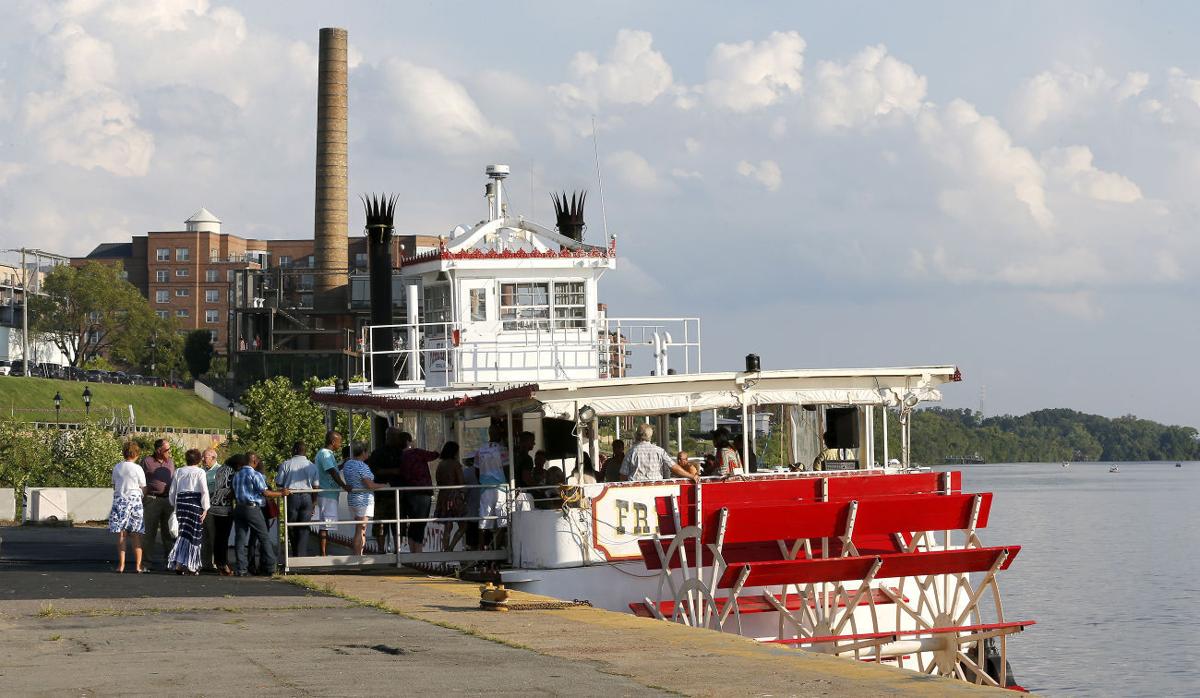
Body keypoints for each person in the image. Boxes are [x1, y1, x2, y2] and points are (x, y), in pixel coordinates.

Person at [232, 452, 289, 576]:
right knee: (264, 537)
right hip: (252, 508)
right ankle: (271, 567)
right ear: (254, 461)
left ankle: (241, 568)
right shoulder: (255, 474)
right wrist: (281, 493)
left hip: (239, 507)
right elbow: (265, 493)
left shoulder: (237, 475)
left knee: (240, 539)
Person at [167, 449, 210, 575]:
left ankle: (179, 565)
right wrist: (205, 508)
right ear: (199, 459)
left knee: (182, 533)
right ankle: (192, 565)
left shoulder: (179, 471)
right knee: (194, 534)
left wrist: (174, 505)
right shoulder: (200, 472)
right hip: (194, 504)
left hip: (181, 504)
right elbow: (204, 491)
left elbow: (172, 491)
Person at [396, 431, 439, 554]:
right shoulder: (416, 453)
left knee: (413, 523)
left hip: (408, 493)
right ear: (408, 442)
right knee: (420, 523)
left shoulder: (399, 456)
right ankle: (418, 553)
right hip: (422, 492)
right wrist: (440, 443)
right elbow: (434, 455)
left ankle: (412, 552)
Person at [341, 442, 387, 555]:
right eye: (367, 452)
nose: (368, 454)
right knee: (361, 530)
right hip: (363, 501)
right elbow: (369, 485)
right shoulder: (362, 466)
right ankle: (358, 556)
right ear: (363, 452)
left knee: (359, 529)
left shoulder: (348, 464)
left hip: (353, 500)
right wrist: (385, 485)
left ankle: (358, 554)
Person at [108, 441, 147, 573]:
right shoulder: (138, 468)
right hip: (134, 501)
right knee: (136, 535)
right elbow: (143, 486)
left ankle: (121, 565)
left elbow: (114, 485)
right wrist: (141, 496)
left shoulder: (117, 467)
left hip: (120, 501)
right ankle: (138, 566)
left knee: (122, 535)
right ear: (136, 454)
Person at [276, 441, 319, 558]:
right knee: (304, 527)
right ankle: (302, 556)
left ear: (294, 450)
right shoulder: (312, 465)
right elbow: (316, 486)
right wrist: (314, 503)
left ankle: (295, 555)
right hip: (307, 497)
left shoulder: (286, 464)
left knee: (291, 526)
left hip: (291, 496)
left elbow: (279, 483)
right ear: (305, 451)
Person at [472, 422, 510, 549]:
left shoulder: (480, 450)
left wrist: (482, 482)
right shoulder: (502, 449)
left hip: (485, 489)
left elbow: (476, 469)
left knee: (484, 519)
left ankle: (481, 547)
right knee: (502, 519)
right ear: (498, 434)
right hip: (501, 488)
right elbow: (507, 469)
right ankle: (496, 546)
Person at [367, 428, 405, 554]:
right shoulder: (378, 453)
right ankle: (381, 550)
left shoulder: (402, 453)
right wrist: (393, 471)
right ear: (389, 436)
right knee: (381, 523)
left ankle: (397, 550)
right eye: (397, 436)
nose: (398, 439)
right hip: (382, 495)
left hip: (398, 494)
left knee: (398, 524)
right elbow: (374, 470)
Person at [315, 431, 353, 556]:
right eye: (339, 442)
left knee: (326, 524)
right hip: (327, 494)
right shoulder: (325, 454)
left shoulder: (327, 454)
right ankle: (323, 554)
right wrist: (344, 485)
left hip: (329, 494)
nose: (340, 445)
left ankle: (323, 553)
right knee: (325, 525)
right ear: (333, 442)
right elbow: (332, 471)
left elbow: (334, 469)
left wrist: (342, 464)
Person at [140, 438, 176, 569]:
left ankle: (170, 562)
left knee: (168, 533)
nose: (169, 452)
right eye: (167, 450)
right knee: (149, 533)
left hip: (168, 500)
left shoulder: (170, 462)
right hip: (152, 500)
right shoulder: (147, 461)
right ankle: (146, 563)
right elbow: (139, 479)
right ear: (159, 450)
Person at [434, 441, 466, 552]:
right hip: (454, 496)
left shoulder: (440, 465)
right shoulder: (455, 464)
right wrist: (463, 494)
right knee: (463, 525)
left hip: (443, 496)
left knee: (447, 526)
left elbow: (438, 481)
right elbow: (461, 481)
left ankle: (446, 550)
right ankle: (451, 548)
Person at [208, 454, 237, 575]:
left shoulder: (220, 469)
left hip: (214, 506)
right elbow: (231, 489)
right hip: (224, 508)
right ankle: (223, 564)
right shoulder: (232, 472)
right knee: (224, 538)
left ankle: (219, 563)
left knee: (218, 537)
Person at [199, 448, 219, 572]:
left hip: (213, 507)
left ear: (213, 458)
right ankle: (206, 563)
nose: (202, 459)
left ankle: (216, 562)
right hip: (202, 507)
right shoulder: (202, 470)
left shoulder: (219, 470)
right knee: (204, 536)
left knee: (213, 535)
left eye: (205, 457)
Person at [461, 456, 481, 550]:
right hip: (482, 504)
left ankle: (473, 549)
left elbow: (463, 490)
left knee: (471, 533)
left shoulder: (467, 472)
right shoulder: (484, 469)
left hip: (471, 507)